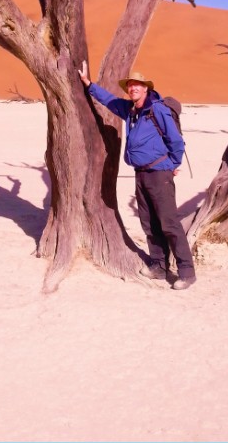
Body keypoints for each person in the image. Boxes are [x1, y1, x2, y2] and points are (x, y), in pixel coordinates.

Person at [77, 61, 196, 290]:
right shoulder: (131, 110)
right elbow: (109, 101)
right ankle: (159, 266)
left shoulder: (157, 109)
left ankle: (186, 271)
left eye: (137, 86)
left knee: (169, 223)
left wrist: (172, 164)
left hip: (159, 174)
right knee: (149, 222)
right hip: (141, 174)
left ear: (146, 88)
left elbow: (176, 141)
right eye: (130, 86)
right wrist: (88, 84)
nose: (133, 89)